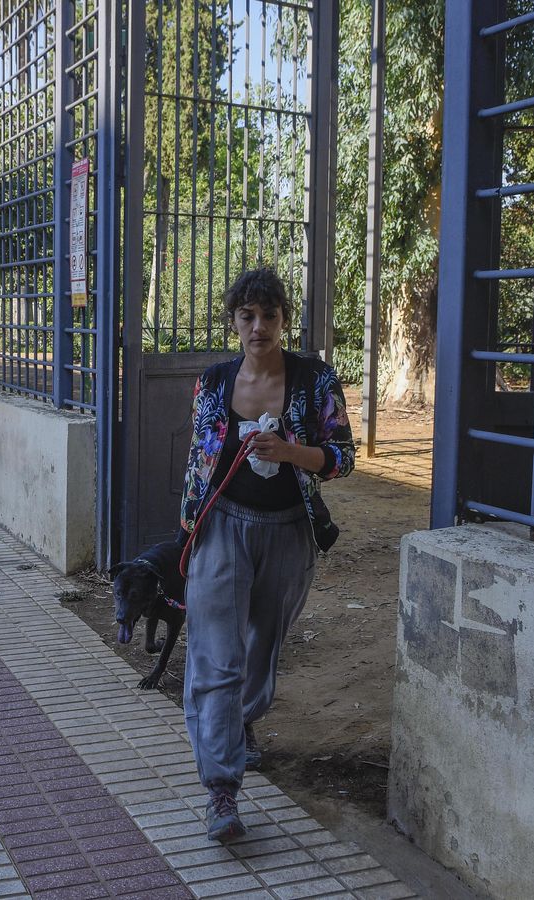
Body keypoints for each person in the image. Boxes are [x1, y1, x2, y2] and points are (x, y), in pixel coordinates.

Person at [176, 267, 354, 843]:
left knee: (262, 649)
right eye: (247, 316)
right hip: (223, 527)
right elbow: (199, 462)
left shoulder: (315, 379)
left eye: (269, 316)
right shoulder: (213, 382)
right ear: (233, 321)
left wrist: (291, 451)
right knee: (217, 658)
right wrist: (187, 531)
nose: (259, 327)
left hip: (287, 532)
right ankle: (221, 790)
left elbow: (343, 458)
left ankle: (240, 721)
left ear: (283, 320)